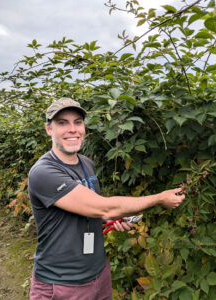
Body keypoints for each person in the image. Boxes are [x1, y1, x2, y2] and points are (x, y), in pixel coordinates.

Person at [28, 97, 185, 300]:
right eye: (62, 123)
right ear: (49, 129)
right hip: (61, 283)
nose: (72, 129)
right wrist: (159, 199)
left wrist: (108, 219)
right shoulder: (44, 172)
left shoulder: (86, 163)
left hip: (98, 272)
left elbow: (91, 209)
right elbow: (103, 207)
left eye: (78, 122)